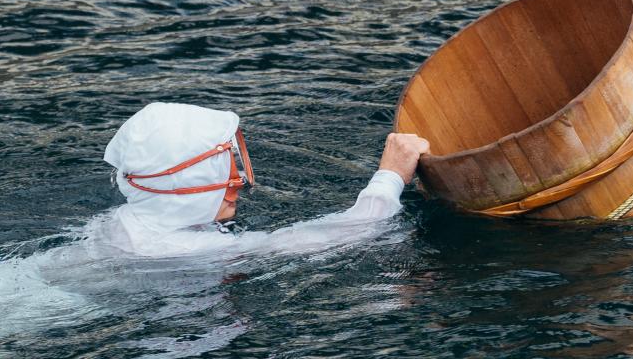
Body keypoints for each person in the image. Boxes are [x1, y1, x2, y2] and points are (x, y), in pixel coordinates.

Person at [87, 101, 430, 259]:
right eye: (221, 170)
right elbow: (353, 232)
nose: (236, 183)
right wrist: (392, 174)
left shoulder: (116, 224)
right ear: (183, 182)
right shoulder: (190, 251)